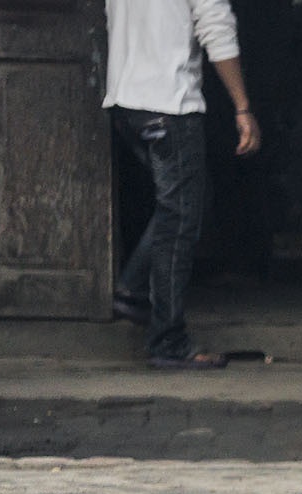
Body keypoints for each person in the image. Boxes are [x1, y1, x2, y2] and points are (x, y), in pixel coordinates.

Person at [103, 0, 260, 370]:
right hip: (168, 104)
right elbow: (217, 28)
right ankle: (167, 340)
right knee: (181, 214)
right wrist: (242, 107)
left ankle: (134, 291)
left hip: (127, 102)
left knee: (180, 206)